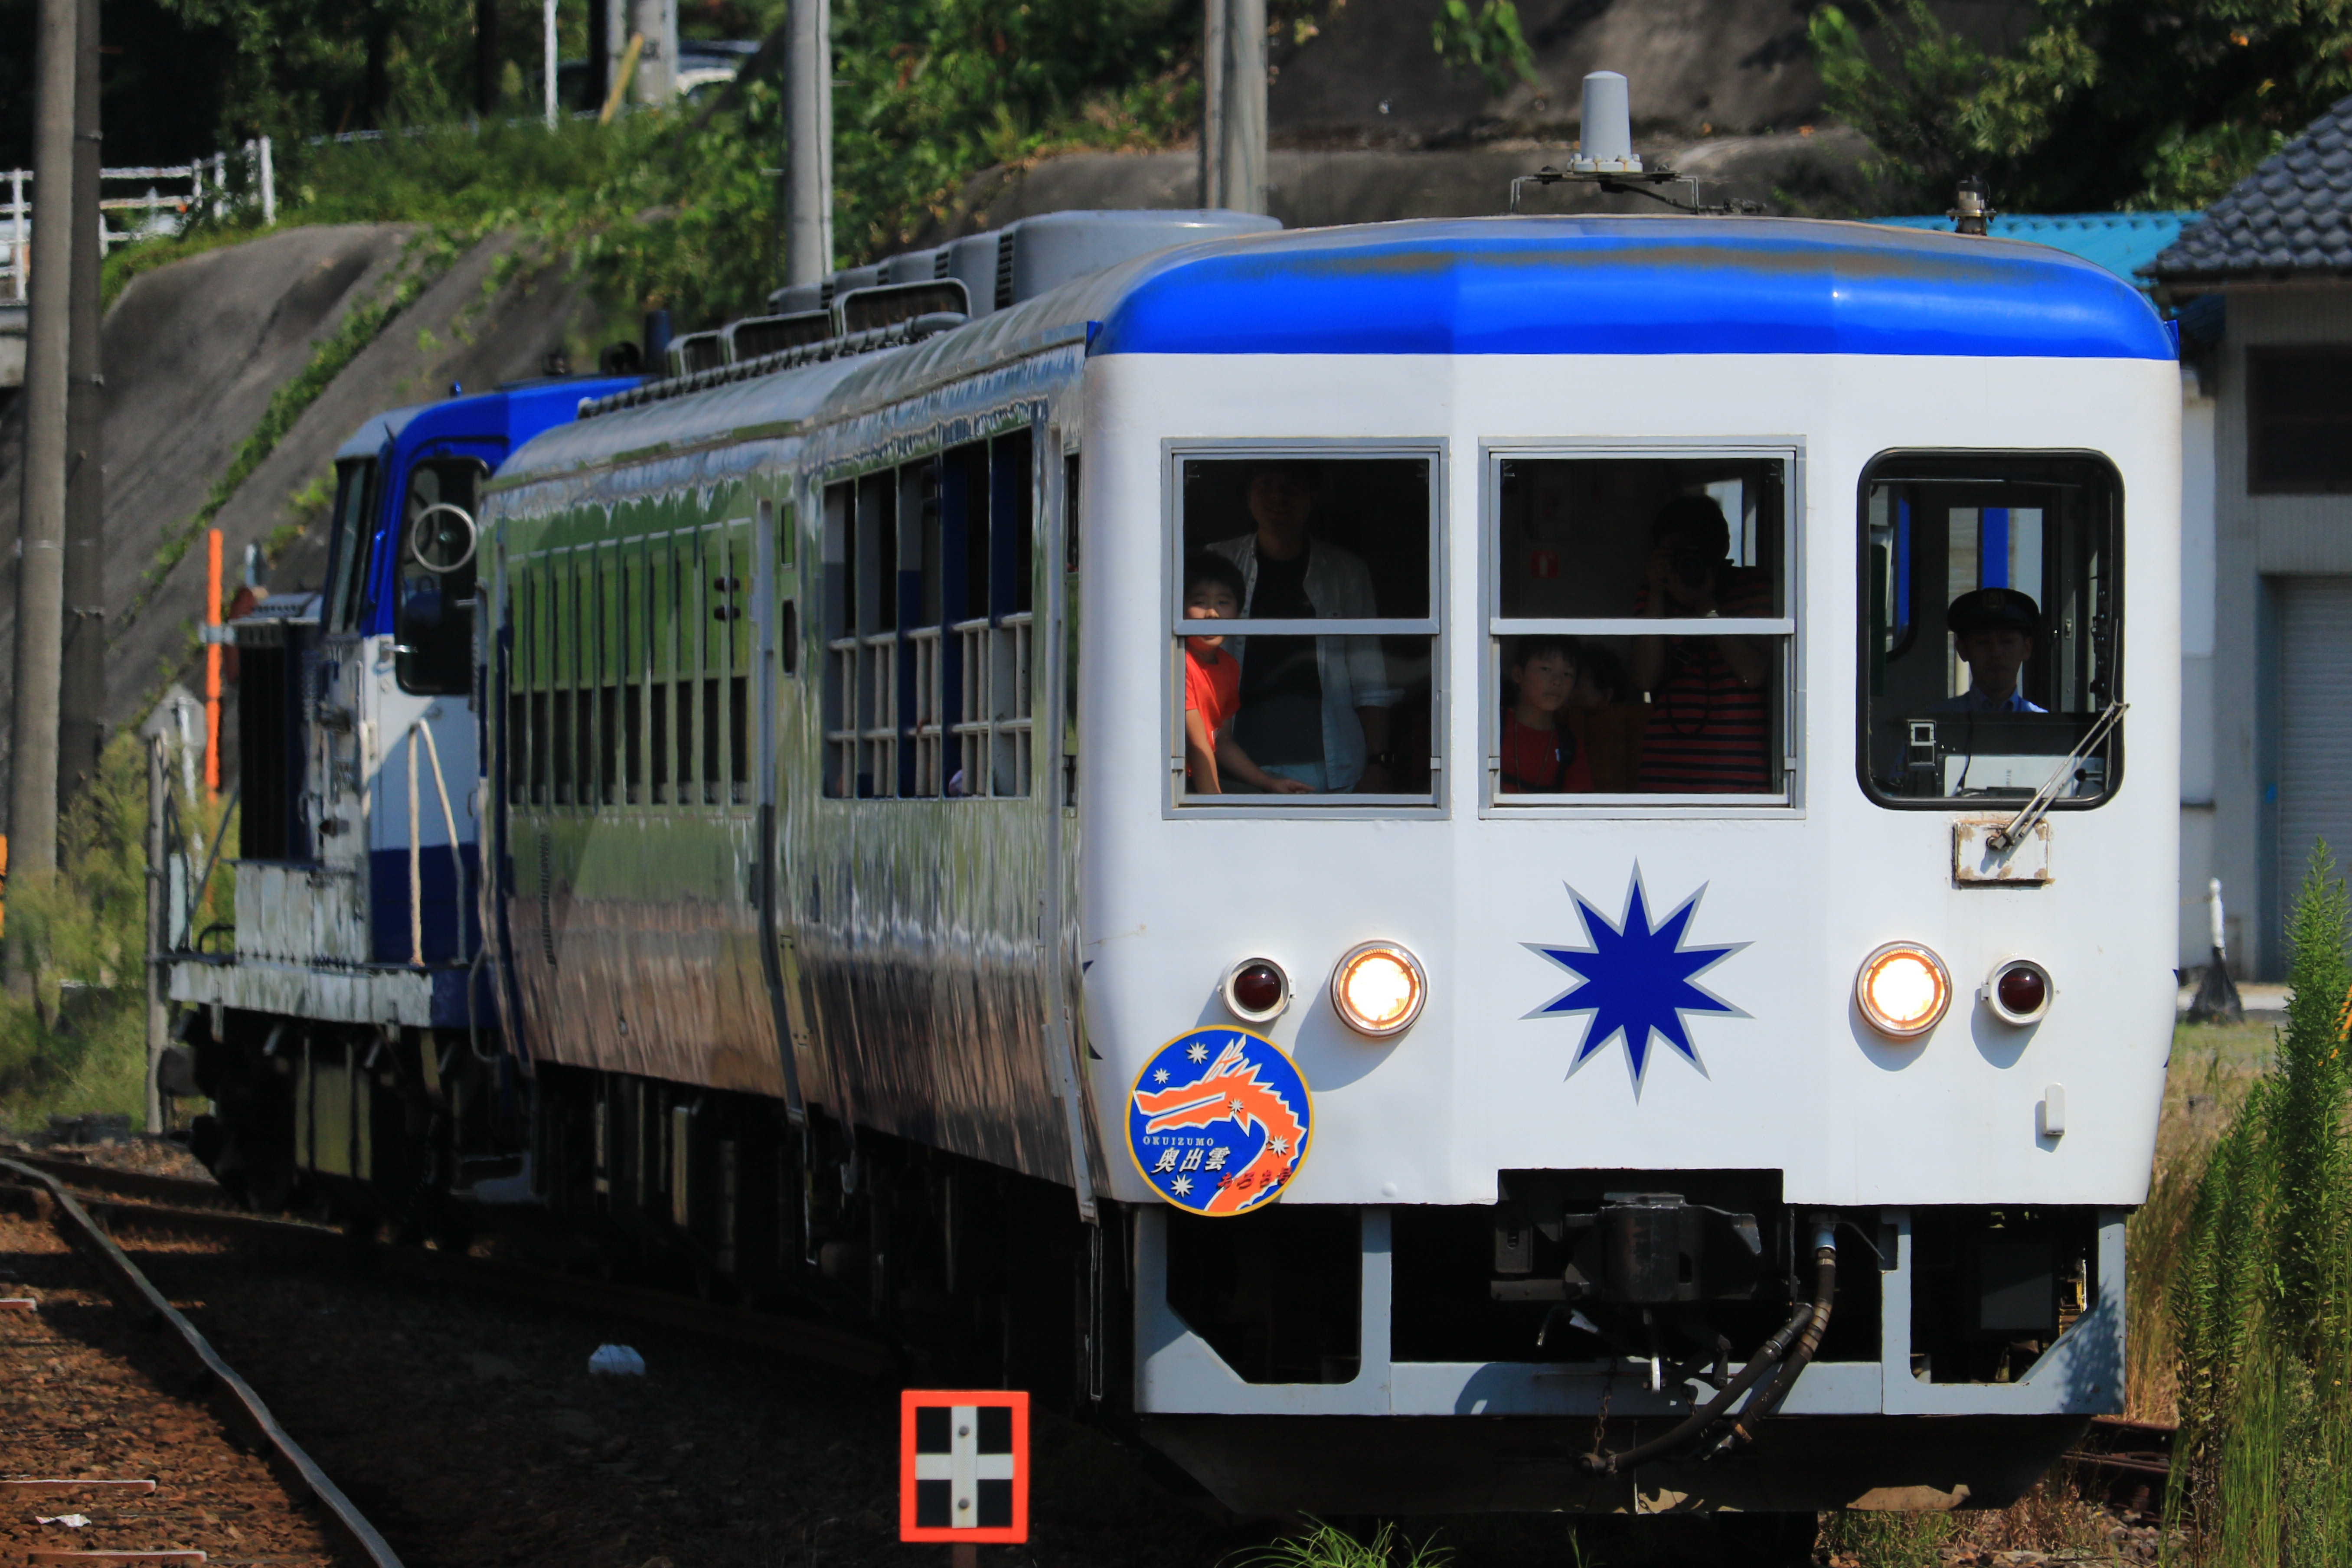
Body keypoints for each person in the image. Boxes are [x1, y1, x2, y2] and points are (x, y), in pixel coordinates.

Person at [1208, 462, 1401, 792]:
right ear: (1248, 495)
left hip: (1328, 765)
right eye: (1265, 484)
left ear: (1313, 495)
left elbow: (1370, 679)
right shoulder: (1218, 564)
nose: (1278, 497)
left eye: (1291, 487)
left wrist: (1378, 762)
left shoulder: (1346, 572)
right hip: (1230, 761)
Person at [1630, 495, 1771, 792]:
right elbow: (1645, 678)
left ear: (1722, 548)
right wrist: (1657, 590)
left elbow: (1753, 674)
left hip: (1735, 767)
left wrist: (1706, 606)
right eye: (1676, 553)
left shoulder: (1752, 586)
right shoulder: (1656, 594)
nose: (1688, 561)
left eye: (1698, 551)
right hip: (1666, 767)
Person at [1181, 553, 1310, 795]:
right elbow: (1197, 743)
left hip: (1200, 778)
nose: (1212, 614)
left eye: (1223, 602)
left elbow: (1222, 741)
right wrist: (1214, 809)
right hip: (1175, 785)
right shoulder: (1179, 662)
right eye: (1199, 602)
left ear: (1239, 613)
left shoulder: (1229, 666)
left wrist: (1269, 783)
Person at [1499, 635, 1594, 793]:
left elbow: (1580, 810)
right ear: (1518, 674)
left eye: (1568, 674)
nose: (1557, 681)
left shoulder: (1569, 746)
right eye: (1546, 669)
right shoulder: (1491, 730)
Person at [1934, 588, 2047, 712]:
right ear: (1963, 650)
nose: (1996, 653)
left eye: (2007, 641)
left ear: (2027, 648)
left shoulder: (2046, 726)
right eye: (1983, 642)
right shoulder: (1938, 723)